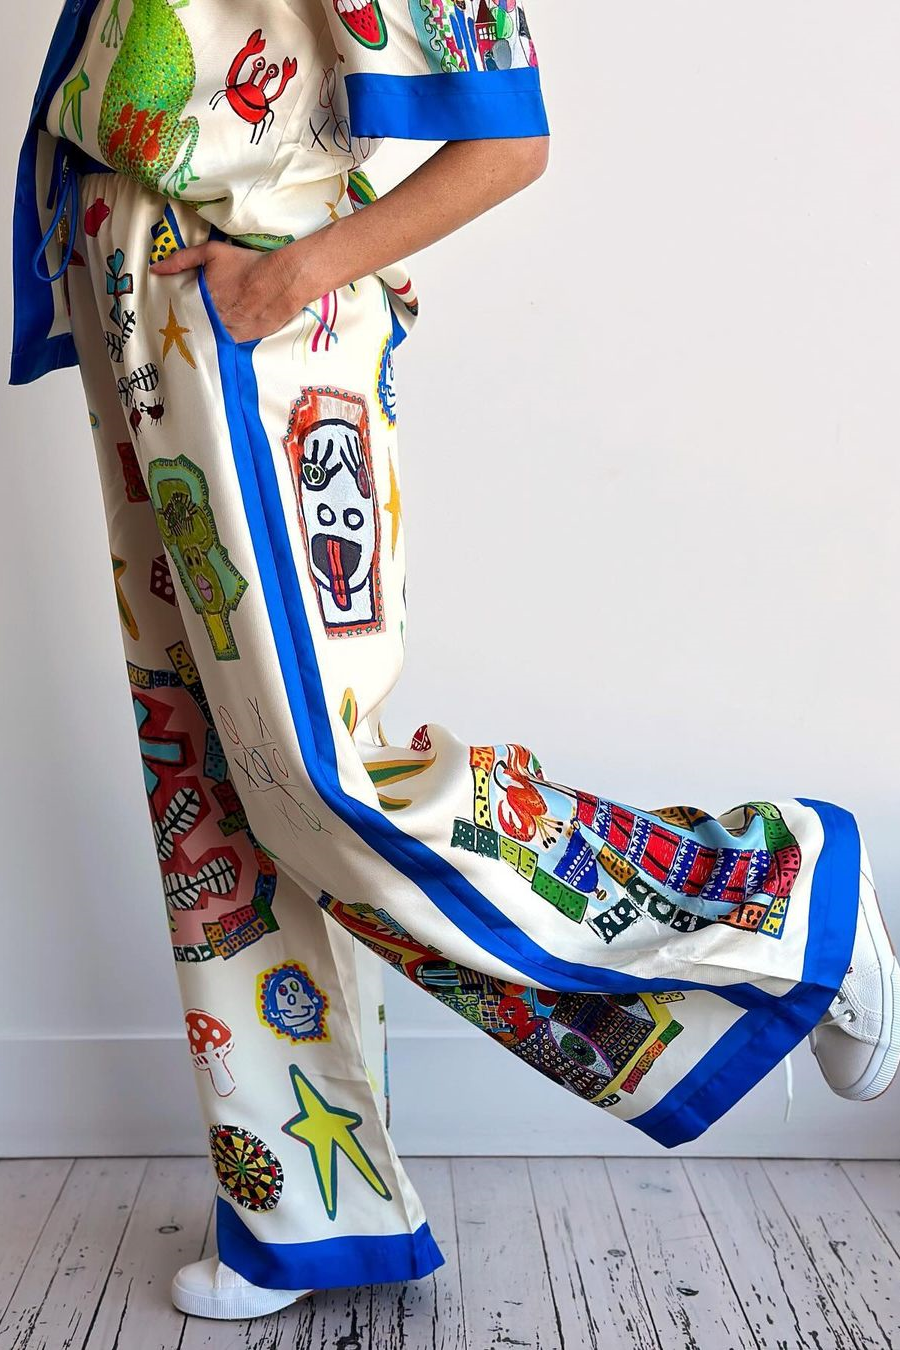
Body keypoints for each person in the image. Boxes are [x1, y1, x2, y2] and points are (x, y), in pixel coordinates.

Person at [10, 0, 899, 1323]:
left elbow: (506, 138)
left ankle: (771, 893)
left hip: (251, 328)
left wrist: (287, 279)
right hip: (142, 294)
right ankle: (307, 1210)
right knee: (211, 774)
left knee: (320, 777)